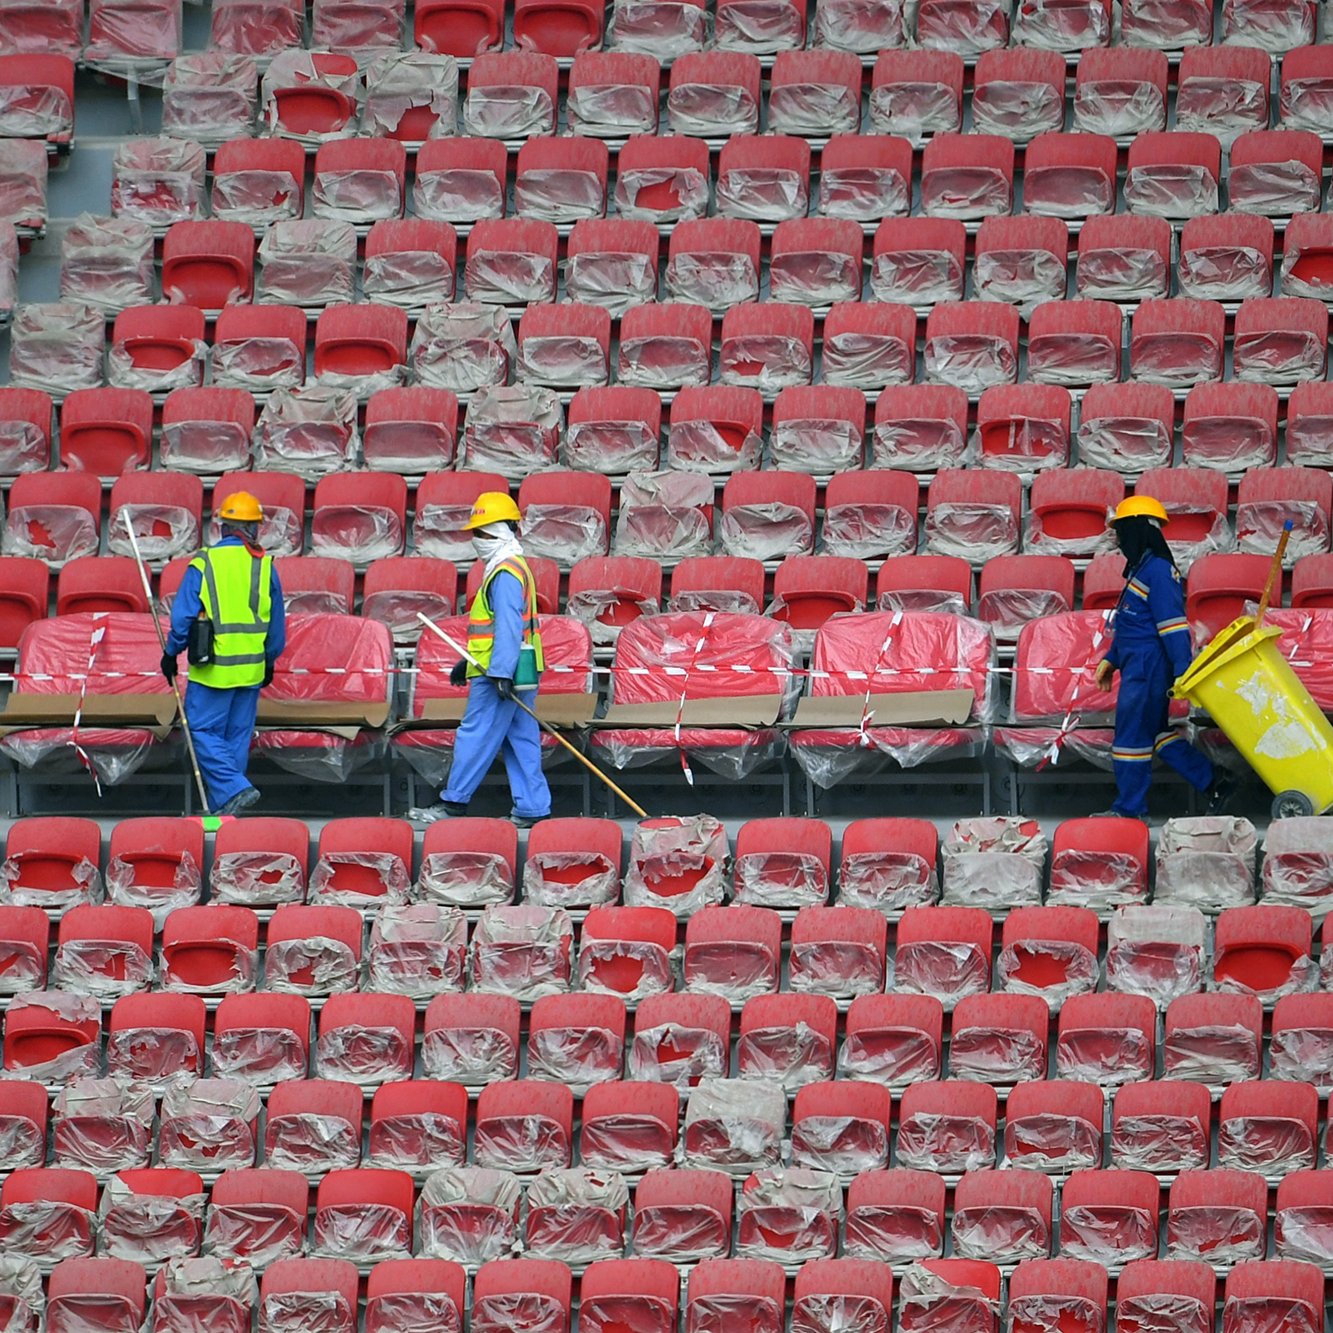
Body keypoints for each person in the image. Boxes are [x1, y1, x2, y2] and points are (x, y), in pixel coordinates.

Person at [1095, 495, 1234, 820]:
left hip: (1148, 669)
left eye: (1123, 532)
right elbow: (1131, 624)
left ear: (1140, 531)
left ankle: (1128, 810)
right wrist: (1111, 659)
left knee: (1130, 738)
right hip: (1135, 665)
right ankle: (1215, 780)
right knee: (1155, 733)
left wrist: (1181, 669)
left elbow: (1172, 626)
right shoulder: (1141, 570)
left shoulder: (1158, 571)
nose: (1119, 540)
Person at [427, 491, 550, 828]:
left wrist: (499, 672)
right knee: (520, 739)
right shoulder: (511, 566)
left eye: (481, 533)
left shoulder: (505, 573)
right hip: (521, 670)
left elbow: (509, 628)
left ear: (499, 532)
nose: (476, 540)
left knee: (475, 734)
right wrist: (468, 664)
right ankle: (533, 808)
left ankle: (453, 802)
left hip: (500, 674)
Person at [162, 491, 286, 817]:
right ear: (254, 529)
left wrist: (171, 651)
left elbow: (183, 617)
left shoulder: (204, 562)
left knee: (201, 731)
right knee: (236, 737)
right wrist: (269, 659)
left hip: (213, 668)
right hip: (251, 670)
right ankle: (227, 809)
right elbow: (276, 623)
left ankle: (235, 788)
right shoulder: (264, 564)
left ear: (223, 527)